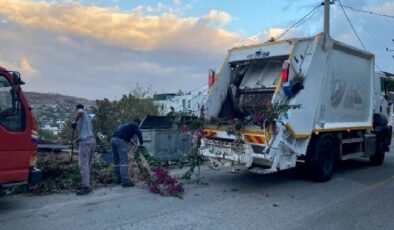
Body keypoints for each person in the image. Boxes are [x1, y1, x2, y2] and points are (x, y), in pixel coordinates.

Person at [110, 118, 143, 187]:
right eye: (138, 124)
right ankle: (125, 181)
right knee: (124, 161)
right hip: (119, 141)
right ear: (137, 123)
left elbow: (124, 135)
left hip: (113, 140)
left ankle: (118, 179)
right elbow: (139, 134)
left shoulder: (126, 125)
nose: (138, 126)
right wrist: (142, 144)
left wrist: (132, 142)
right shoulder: (134, 126)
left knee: (117, 161)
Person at [71, 104, 96, 195]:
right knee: (87, 165)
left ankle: (85, 186)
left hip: (86, 143)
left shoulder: (81, 112)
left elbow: (80, 111)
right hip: (91, 141)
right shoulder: (87, 118)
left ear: (76, 109)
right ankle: (87, 184)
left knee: (83, 164)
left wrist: (74, 121)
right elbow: (85, 133)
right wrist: (76, 140)